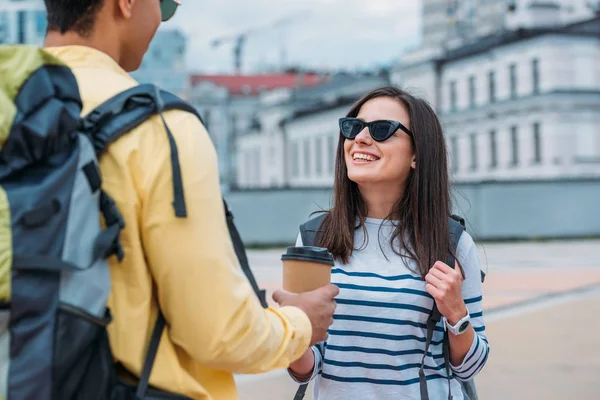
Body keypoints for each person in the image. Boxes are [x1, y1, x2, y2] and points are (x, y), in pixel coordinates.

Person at [42, 0, 338, 399]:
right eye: (166, 5)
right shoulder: (158, 127)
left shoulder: (15, 104)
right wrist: (300, 322)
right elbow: (219, 332)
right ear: (126, 3)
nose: (163, 18)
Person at [287, 86, 490, 399]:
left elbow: (470, 368)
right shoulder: (316, 238)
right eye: (353, 127)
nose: (361, 139)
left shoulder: (451, 243)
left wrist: (456, 313)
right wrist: (292, 333)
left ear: (416, 155)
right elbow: (306, 369)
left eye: (382, 130)